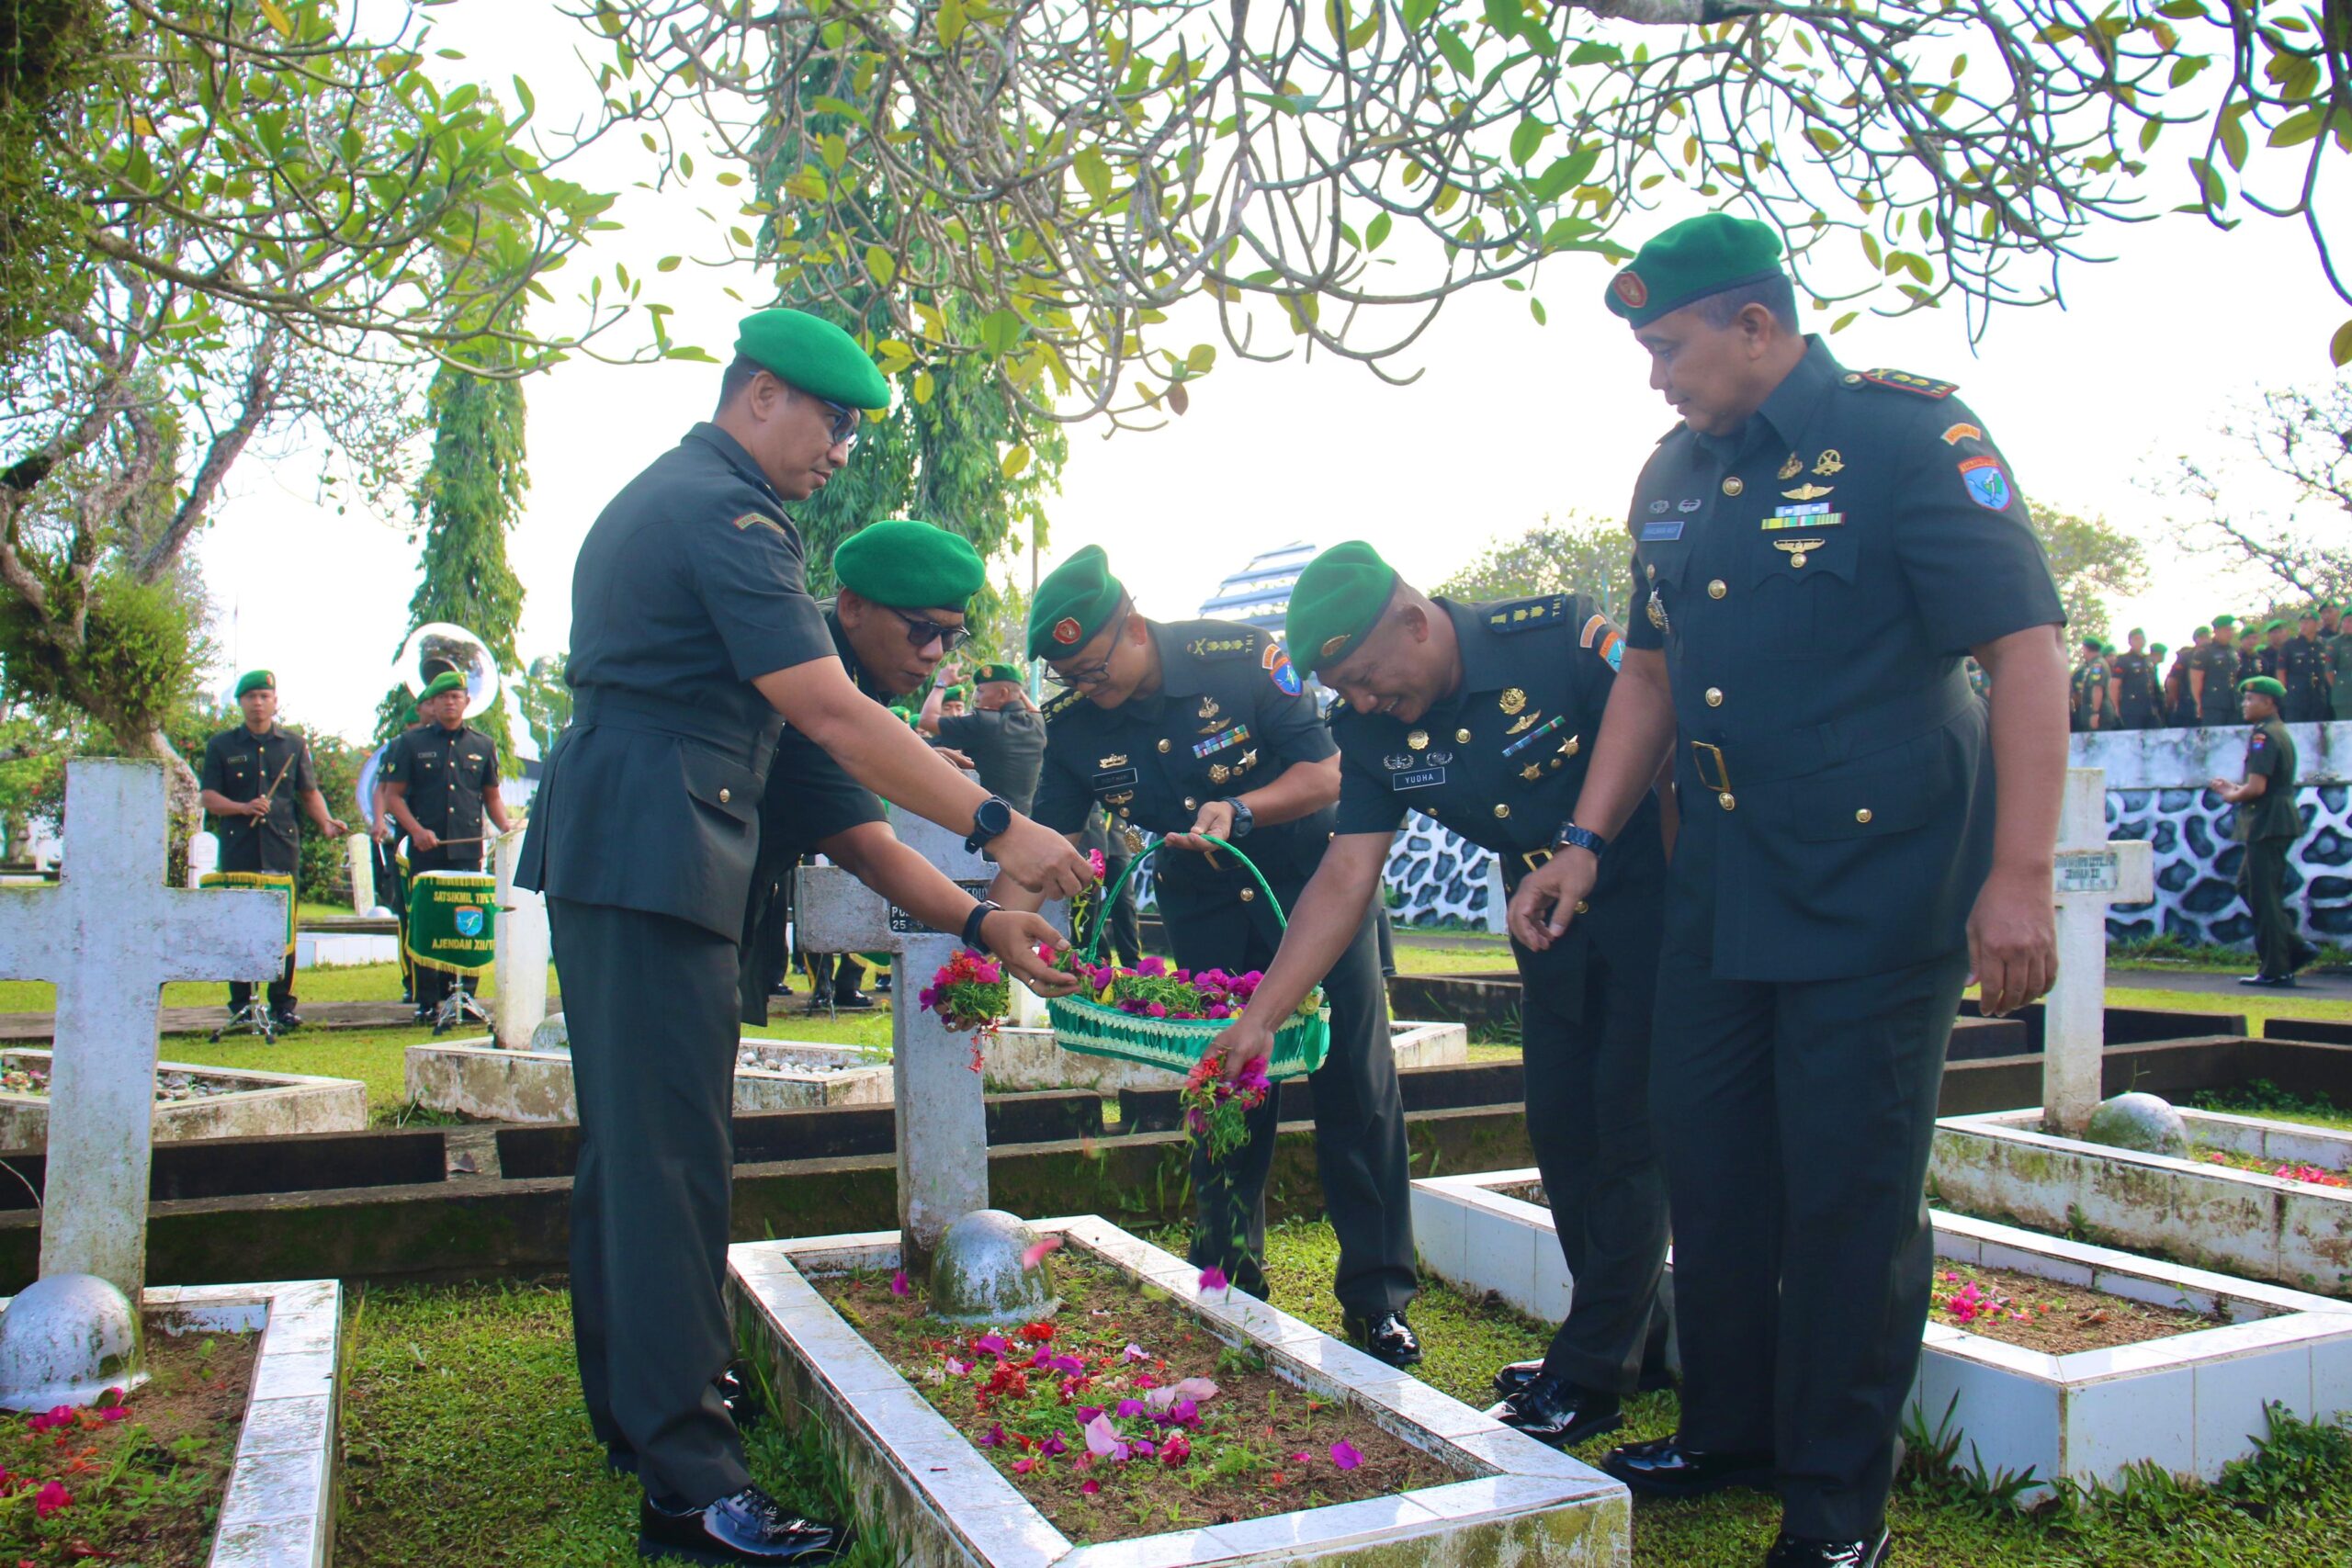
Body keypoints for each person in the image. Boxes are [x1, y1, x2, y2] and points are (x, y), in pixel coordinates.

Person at [1506, 214, 2066, 1568]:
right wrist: (1584, 836)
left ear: (1756, 323)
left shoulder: (1908, 438)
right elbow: (1646, 675)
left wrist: (2021, 873)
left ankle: (1833, 1507)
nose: (1656, 376)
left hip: (1882, 883)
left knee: (1849, 1193)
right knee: (1710, 1164)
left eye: (1669, 345)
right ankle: (1731, 1428)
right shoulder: (1672, 475)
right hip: (1724, 881)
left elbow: (2026, 651)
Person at [515, 307, 1088, 1567]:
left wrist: (987, 918)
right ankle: (686, 1477)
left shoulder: (697, 506)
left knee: (641, 1149)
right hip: (654, 844)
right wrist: (1001, 823)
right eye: (831, 419)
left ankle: (644, 1407)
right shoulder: (725, 512)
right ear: (761, 395)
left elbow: (856, 830)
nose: (839, 447)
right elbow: (829, 712)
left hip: (637, 840)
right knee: (669, 1157)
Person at [1213, 541, 1673, 1450]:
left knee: (1627, 1138)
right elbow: (1347, 875)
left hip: (1655, 904)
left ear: (1415, 624)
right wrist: (1259, 1016)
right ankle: (1631, 1343)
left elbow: (1667, 758)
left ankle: (1589, 1375)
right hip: (1547, 926)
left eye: (1368, 678)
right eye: (1346, 690)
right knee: (1565, 1134)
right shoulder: (1376, 732)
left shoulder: (1556, 643)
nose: (1364, 701)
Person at [989, 544, 1424, 1367]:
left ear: (1135, 623)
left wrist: (1243, 809)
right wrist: (1000, 930)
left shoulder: (1239, 659)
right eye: (1072, 677)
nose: (1090, 686)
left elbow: (1328, 770)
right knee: (1224, 1090)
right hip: (1205, 915)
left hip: (1310, 888)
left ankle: (1379, 1300)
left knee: (1356, 1091)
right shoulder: (1077, 730)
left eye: (1096, 666)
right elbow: (1040, 846)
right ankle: (1227, 1282)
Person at [735, 519, 1060, 1028]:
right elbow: (870, 850)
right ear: (854, 607)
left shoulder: (831, 655)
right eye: (921, 629)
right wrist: (986, 915)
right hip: (672, 909)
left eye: (949, 636)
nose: (934, 653)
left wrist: (908, 750)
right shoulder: (809, 681)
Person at [198, 671, 347, 1029]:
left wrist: (326, 822)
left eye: (265, 696)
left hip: (282, 847)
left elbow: (308, 792)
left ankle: (283, 1004)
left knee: (283, 928)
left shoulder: (292, 745)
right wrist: (242, 807)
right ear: (241, 703)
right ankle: (241, 1003)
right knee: (240, 925)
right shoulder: (222, 745)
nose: (258, 703)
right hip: (240, 848)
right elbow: (208, 797)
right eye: (251, 697)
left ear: (275, 701)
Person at [379, 671, 513, 1021]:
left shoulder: (482, 745)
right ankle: (427, 1001)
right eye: (444, 697)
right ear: (432, 704)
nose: (451, 702)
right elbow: (393, 797)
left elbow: (492, 797)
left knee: (469, 921)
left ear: (467, 702)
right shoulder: (409, 744)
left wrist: (507, 825)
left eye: (457, 696)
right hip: (427, 849)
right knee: (428, 921)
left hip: (468, 850)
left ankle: (467, 996)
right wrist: (416, 831)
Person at [2210, 676, 2315, 988]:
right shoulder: (2275, 732)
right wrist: (2236, 788)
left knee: (2263, 895)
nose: (2245, 704)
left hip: (2268, 821)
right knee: (2248, 885)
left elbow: (2257, 787)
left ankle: (2277, 969)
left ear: (2268, 702)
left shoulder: (2264, 736)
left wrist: (2232, 794)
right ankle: (2294, 947)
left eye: (2251, 699)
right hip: (2274, 819)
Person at [922, 660, 1046, 813]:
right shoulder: (1039, 723)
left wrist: (942, 682)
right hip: (1023, 820)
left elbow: (926, 721)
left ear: (1002, 694)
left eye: (980, 691)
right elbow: (1033, 711)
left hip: (985, 820)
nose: (977, 698)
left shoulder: (984, 723)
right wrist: (1015, 689)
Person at [2109, 630, 2160, 731]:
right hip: (2132, 709)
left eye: (2141, 638)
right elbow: (2114, 685)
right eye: (2136, 639)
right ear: (2130, 642)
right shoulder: (2124, 660)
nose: (2139, 641)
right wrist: (2115, 707)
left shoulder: (2148, 660)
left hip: (2150, 708)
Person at [2197, 616, 2244, 727]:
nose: (2229, 633)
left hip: (2233, 703)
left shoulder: (2232, 651)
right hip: (2213, 704)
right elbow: (2196, 679)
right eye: (2226, 630)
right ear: (2216, 631)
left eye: (2231, 629)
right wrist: (2198, 702)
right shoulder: (2205, 651)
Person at [2287, 612, 2328, 723]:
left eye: (2308, 623)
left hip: (2318, 696)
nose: (2304, 626)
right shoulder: (2290, 645)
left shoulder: (2324, 644)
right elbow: (2281, 671)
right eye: (2302, 623)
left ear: (2317, 625)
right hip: (2296, 698)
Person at [2069, 637, 2109, 732]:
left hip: (2099, 714)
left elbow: (2097, 688)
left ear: (2086, 649)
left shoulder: (2097, 665)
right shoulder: (2091, 665)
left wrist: (2095, 713)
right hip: (2091, 712)